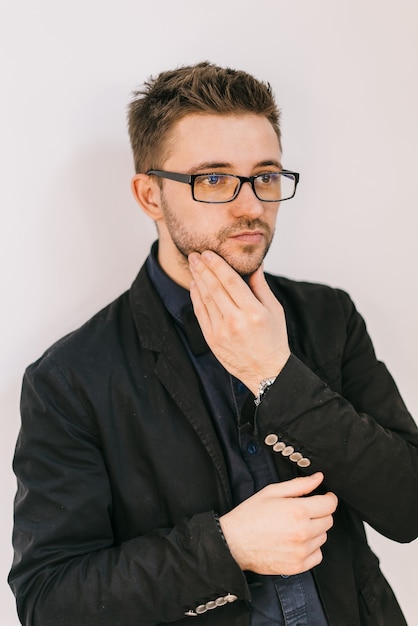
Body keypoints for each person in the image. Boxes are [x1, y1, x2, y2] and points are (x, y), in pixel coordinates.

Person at [8, 61, 418, 626]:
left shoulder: (329, 316)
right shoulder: (69, 378)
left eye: (266, 175)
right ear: (150, 195)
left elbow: (408, 505)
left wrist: (278, 376)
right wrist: (227, 548)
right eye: (214, 178)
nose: (251, 205)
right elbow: (49, 600)